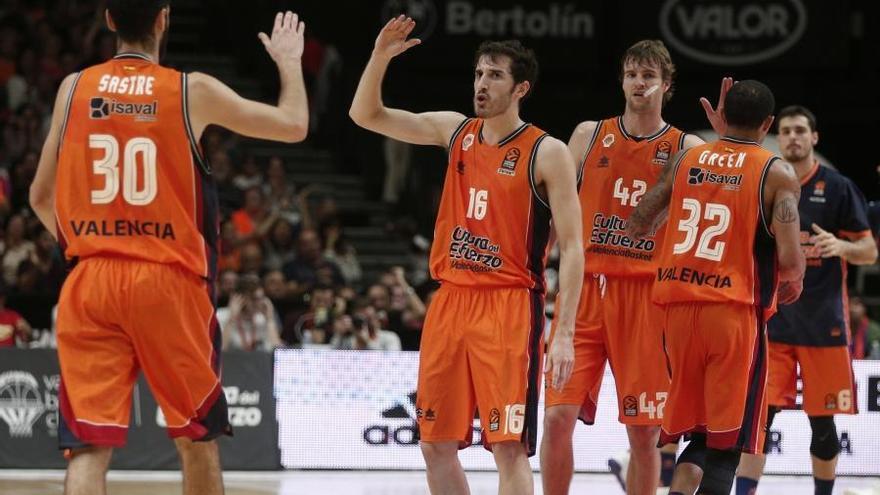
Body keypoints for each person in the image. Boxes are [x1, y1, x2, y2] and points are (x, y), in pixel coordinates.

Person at [28, 2, 308, 494]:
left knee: (89, 447)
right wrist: (288, 62)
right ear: (163, 19)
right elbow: (292, 125)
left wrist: (92, 244)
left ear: (109, 20)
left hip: (90, 278)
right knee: (196, 438)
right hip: (167, 280)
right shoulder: (189, 89)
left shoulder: (73, 89)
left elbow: (39, 197)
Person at [349, 16, 584, 495]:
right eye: (478, 73)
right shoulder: (454, 131)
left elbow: (575, 248)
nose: (481, 83)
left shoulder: (547, 151)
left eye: (495, 75)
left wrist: (564, 333)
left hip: (510, 307)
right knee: (435, 443)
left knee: (508, 447)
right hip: (451, 301)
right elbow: (365, 115)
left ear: (521, 87)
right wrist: (379, 56)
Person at [540, 40, 705, 495]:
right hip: (585, 291)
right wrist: (538, 263)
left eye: (649, 77)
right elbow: (552, 210)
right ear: (623, 80)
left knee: (645, 433)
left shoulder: (685, 146)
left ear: (666, 86)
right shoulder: (588, 135)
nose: (639, 83)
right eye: (632, 74)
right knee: (556, 417)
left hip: (648, 300)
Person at [627, 80, 806, 495]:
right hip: (731, 314)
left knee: (700, 435)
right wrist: (788, 284)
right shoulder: (777, 173)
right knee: (728, 442)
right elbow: (792, 261)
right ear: (769, 124)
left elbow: (639, 223)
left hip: (675, 313)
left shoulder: (688, 157)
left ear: (724, 116)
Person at [735, 106, 877, 495]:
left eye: (801, 130)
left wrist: (842, 246)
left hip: (824, 324)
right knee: (760, 420)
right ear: (777, 138)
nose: (793, 137)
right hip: (773, 323)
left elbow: (869, 251)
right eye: (786, 131)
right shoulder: (765, 184)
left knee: (824, 422)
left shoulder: (838, 187)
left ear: (814, 137)